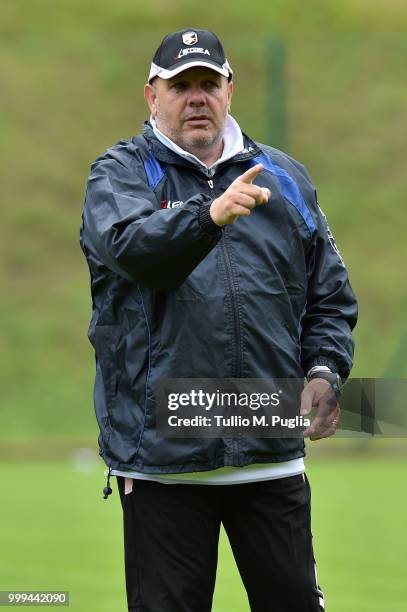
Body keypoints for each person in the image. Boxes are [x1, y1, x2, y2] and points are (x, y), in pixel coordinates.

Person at [80, 28, 357, 612]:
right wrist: (208, 216)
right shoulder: (119, 174)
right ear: (152, 96)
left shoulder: (283, 178)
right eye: (181, 86)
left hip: (270, 453)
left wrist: (326, 371)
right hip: (163, 464)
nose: (197, 97)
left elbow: (329, 298)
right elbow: (134, 250)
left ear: (230, 90)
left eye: (209, 83)